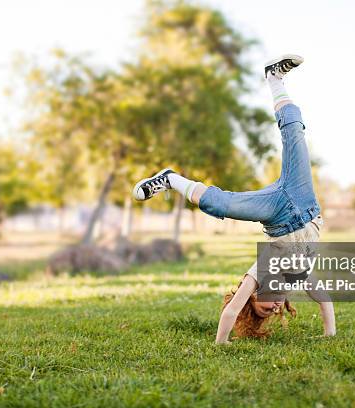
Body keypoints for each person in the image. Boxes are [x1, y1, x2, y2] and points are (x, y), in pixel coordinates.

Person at [133, 54, 336, 344]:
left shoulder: (259, 274)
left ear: (253, 297)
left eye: (265, 307)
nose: (274, 306)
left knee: (221, 204)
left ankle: (170, 179)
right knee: (295, 134)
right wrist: (329, 335)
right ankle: (275, 79)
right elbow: (324, 301)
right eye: (274, 311)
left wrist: (221, 342)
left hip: (276, 213)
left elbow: (231, 311)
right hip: (304, 202)